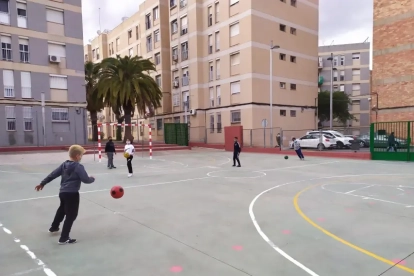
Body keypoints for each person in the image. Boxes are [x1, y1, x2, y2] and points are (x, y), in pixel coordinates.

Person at [34, 145, 95, 245]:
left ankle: (54, 227)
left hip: (63, 192)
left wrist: (42, 183)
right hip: (72, 193)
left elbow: (53, 174)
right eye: (81, 155)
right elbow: (85, 180)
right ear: (77, 156)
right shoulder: (78, 167)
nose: (81, 157)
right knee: (71, 215)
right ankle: (64, 238)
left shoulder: (64, 165)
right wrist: (92, 179)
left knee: (62, 209)